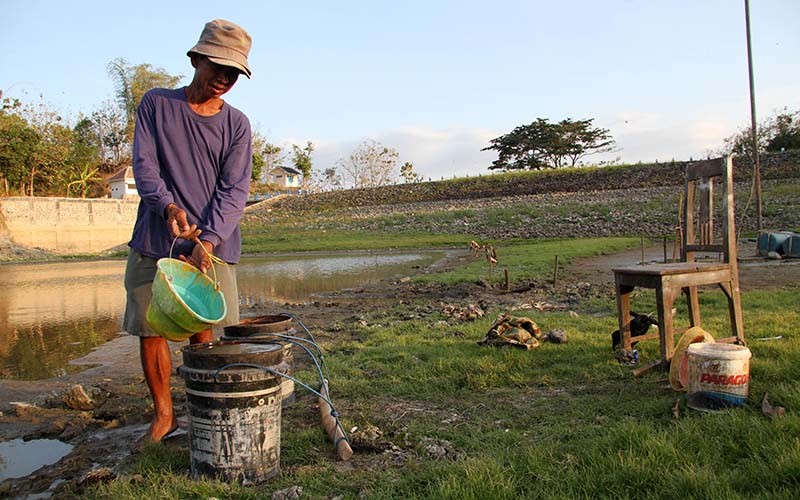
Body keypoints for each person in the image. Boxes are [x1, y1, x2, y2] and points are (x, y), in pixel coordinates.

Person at [123, 19, 253, 444]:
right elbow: (145, 166)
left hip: (211, 242)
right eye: (217, 65)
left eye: (233, 73)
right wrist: (167, 207)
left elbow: (234, 190)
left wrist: (208, 242)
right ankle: (164, 416)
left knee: (204, 327)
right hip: (156, 236)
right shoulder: (157, 105)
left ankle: (203, 411)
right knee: (150, 326)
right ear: (195, 58)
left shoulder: (237, 125)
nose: (223, 78)